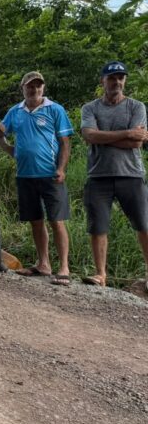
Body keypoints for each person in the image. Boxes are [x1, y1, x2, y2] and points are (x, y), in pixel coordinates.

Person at [0, 71, 73, 285]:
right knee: (36, 221)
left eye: (38, 86)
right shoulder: (15, 111)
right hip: (25, 175)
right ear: (23, 88)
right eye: (30, 86)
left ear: (43, 88)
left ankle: (64, 267)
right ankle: (43, 263)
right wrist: (0, 136)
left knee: (57, 221)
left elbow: (65, 142)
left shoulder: (55, 109)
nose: (34, 89)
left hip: (50, 174)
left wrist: (62, 168)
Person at [78, 61, 148, 288]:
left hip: (132, 174)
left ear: (124, 80)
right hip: (99, 175)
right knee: (98, 226)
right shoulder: (90, 108)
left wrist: (105, 136)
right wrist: (127, 133)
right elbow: (89, 135)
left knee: (143, 224)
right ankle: (100, 275)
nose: (116, 82)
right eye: (112, 78)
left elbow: (137, 143)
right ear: (103, 81)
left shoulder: (136, 107)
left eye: (120, 77)